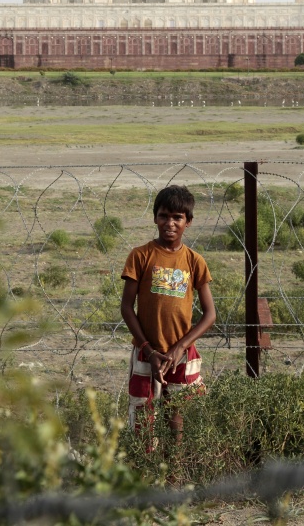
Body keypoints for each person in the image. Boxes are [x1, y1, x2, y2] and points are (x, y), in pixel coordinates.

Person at [120, 184, 215, 439]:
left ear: (189, 222)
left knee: (177, 421)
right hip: (146, 352)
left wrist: (180, 348)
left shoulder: (194, 261)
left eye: (177, 217)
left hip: (180, 355)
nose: (170, 223)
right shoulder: (141, 256)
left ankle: (175, 474)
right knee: (143, 420)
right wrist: (148, 350)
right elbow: (127, 307)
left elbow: (210, 314)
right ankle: (147, 473)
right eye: (164, 216)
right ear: (155, 218)